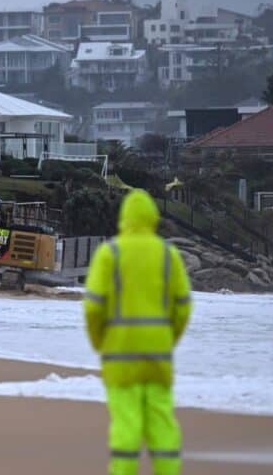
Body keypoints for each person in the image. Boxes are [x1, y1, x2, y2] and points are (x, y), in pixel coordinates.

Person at [84, 189, 192, 475]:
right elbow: (182, 307)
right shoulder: (169, 255)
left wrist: (100, 342)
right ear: (153, 217)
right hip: (158, 353)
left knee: (126, 422)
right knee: (162, 420)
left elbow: (94, 307)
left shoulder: (111, 253)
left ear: (125, 218)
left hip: (120, 354)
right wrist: (169, 338)